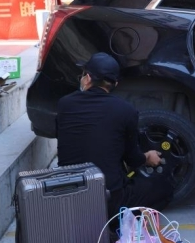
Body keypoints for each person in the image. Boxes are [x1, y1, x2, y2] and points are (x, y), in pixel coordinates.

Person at [56, 52, 173, 223]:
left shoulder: (64, 104)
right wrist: (148, 157)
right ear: (115, 84)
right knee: (163, 187)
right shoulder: (126, 110)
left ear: (87, 78)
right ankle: (122, 224)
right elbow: (132, 158)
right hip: (110, 201)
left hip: (70, 195)